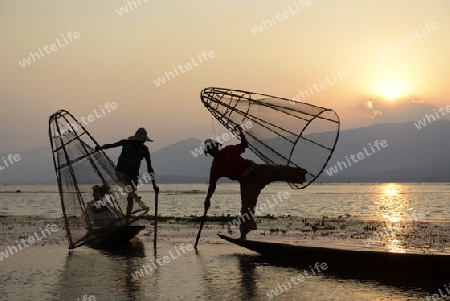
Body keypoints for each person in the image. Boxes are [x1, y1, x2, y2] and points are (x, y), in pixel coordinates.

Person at [203, 126, 307, 239]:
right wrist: (208, 199)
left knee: (277, 171)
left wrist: (240, 132)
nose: (213, 150)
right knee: (246, 208)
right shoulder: (215, 168)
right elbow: (212, 185)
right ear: (209, 152)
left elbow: (244, 145)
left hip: (254, 170)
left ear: (217, 147)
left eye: (214, 147)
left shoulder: (228, 150)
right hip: (246, 182)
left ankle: (302, 175)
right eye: (210, 149)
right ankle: (243, 235)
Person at [96, 127, 159, 221]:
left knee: (131, 198)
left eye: (143, 141)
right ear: (135, 139)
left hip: (133, 176)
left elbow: (150, 168)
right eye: (140, 141)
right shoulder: (126, 143)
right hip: (121, 172)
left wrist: (154, 185)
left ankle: (127, 219)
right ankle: (133, 196)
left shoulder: (144, 150)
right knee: (129, 186)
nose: (141, 143)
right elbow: (110, 145)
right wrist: (101, 147)